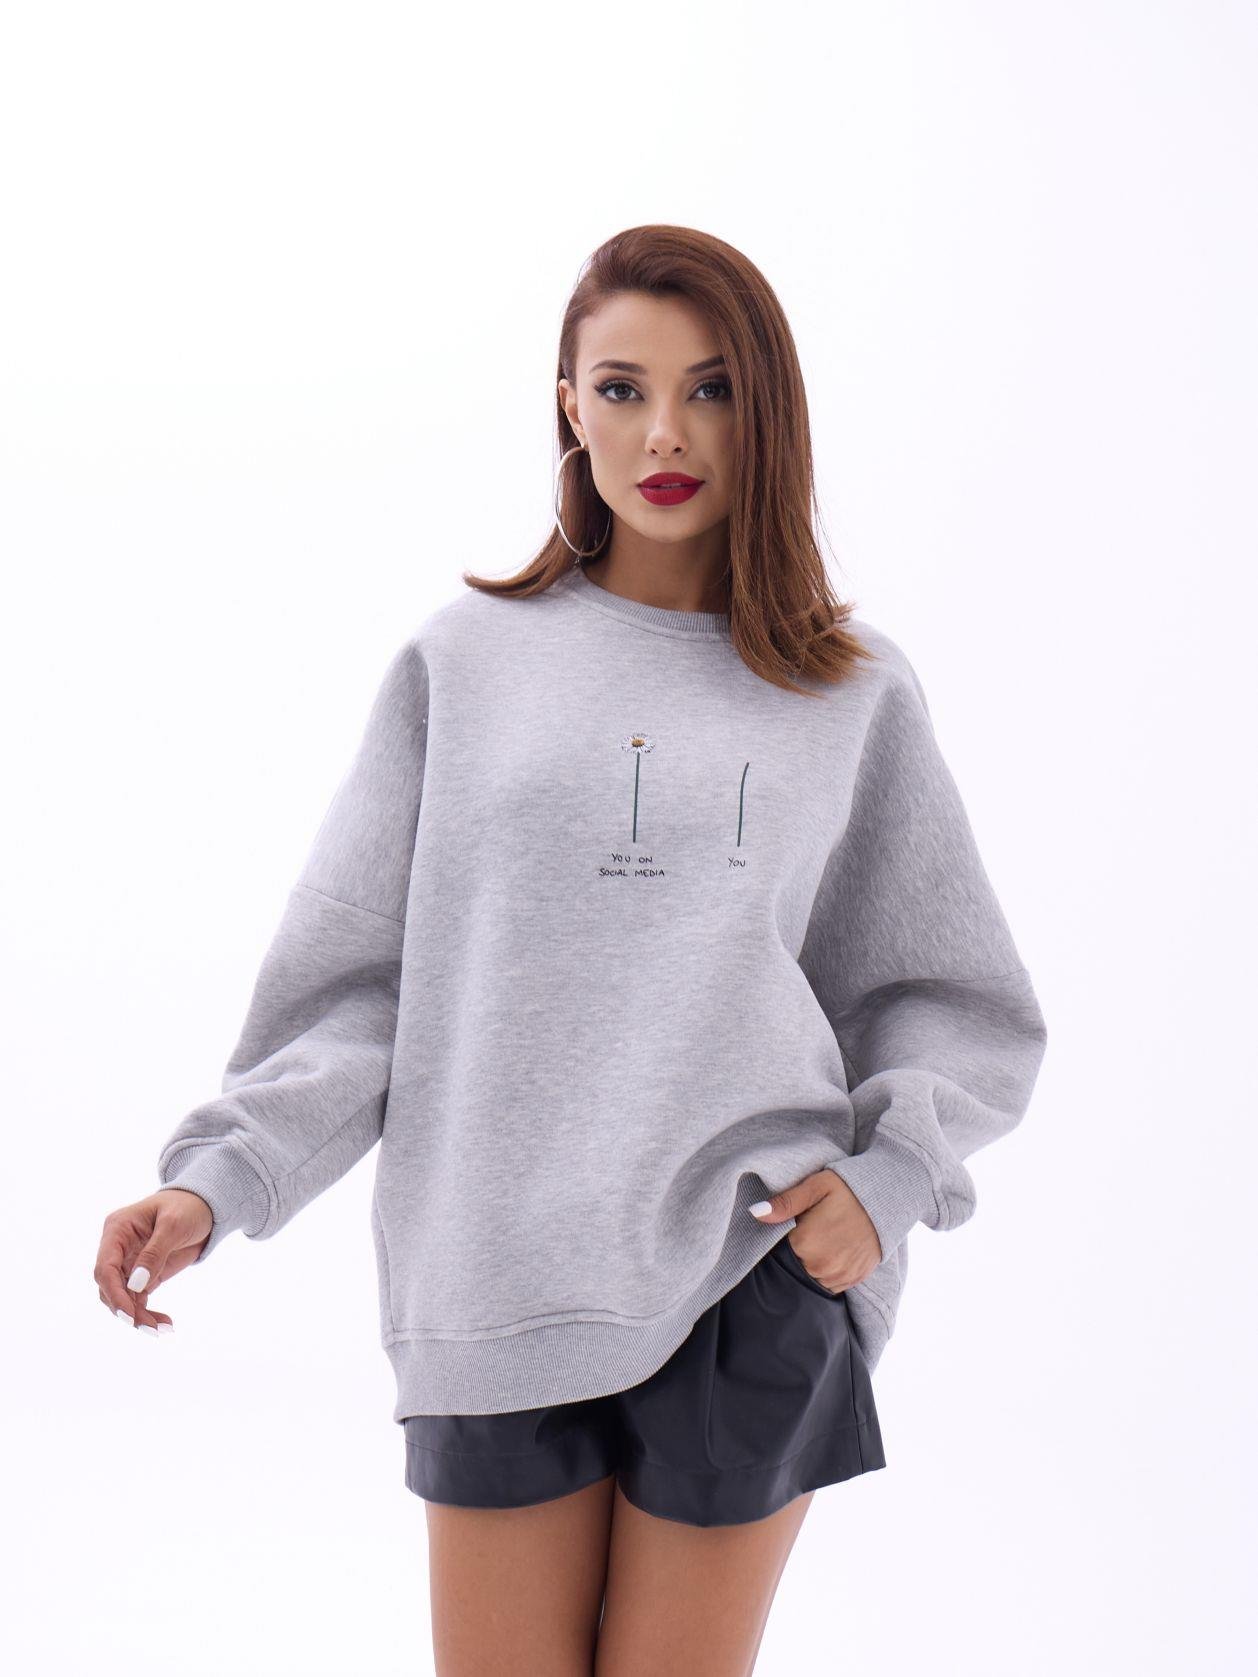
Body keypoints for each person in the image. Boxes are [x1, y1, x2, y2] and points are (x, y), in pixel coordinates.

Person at [95, 224, 1048, 1676]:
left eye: (711, 389)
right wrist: (216, 1179)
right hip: (491, 1275)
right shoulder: (464, 663)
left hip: (748, 1268)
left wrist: (888, 1182)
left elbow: (946, 993)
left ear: (767, 411)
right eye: (621, 388)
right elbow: (364, 986)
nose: (664, 433)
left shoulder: (848, 688)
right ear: (567, 406)